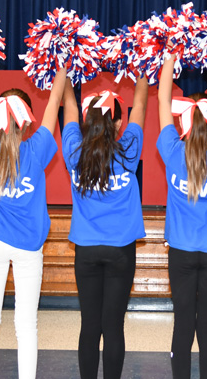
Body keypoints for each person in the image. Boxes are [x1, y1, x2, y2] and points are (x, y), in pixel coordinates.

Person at [0, 66, 68, 379]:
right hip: (29, 249)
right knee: (26, 326)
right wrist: (62, 68)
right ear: (27, 121)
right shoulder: (36, 149)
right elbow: (53, 103)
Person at [61, 75, 149, 379]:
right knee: (113, 326)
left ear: (87, 121)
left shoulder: (74, 151)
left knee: (90, 325)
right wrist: (143, 71)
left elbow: (68, 106)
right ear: (119, 123)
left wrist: (63, 69)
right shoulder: (129, 148)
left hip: (86, 250)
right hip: (120, 251)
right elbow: (140, 104)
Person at [156, 54, 207, 379]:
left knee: (183, 321)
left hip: (181, 252)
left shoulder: (172, 151)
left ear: (183, 120)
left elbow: (162, 97)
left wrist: (169, 55)